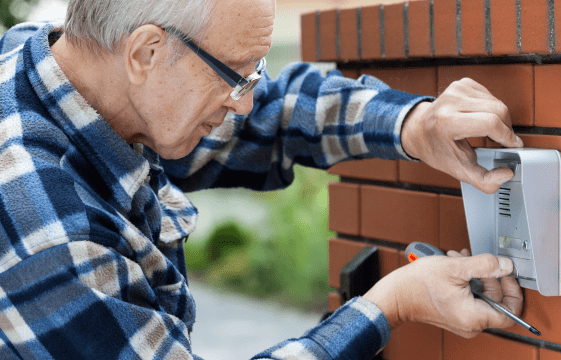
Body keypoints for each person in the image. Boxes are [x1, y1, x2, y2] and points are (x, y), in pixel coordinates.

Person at [0, 0, 525, 359]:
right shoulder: (44, 226)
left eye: (254, 74)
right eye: (236, 75)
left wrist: (414, 125)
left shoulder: (64, 69)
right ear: (145, 52)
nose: (246, 101)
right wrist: (388, 306)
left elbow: (271, 113)